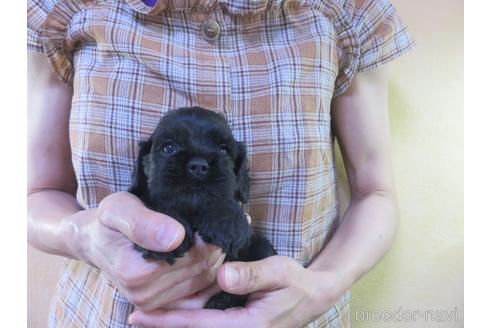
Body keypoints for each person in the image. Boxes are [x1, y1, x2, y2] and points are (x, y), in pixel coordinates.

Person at [27, 0, 414, 327]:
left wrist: (323, 286)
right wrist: (82, 235)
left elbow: (375, 191)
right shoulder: (65, 8)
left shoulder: (345, 11)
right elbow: (36, 191)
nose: (196, 166)